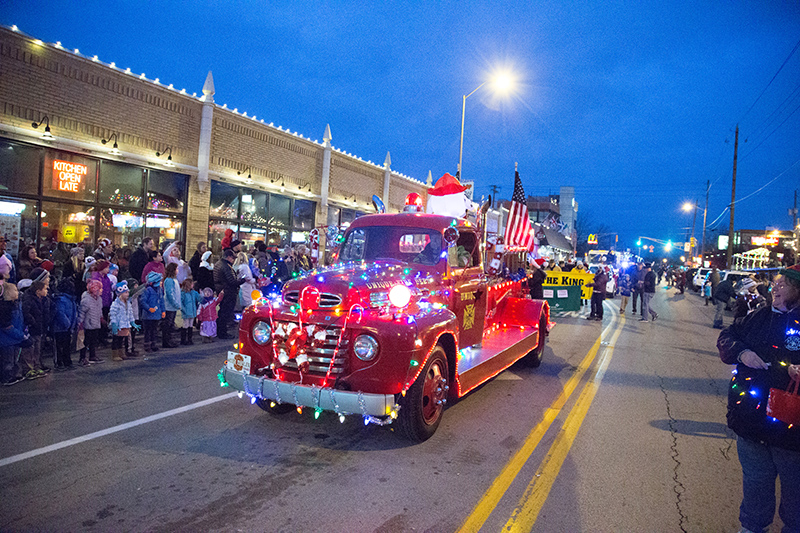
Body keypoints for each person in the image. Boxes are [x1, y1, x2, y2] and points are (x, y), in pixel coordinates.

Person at [717, 265, 800, 533]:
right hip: (751, 423)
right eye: (775, 284)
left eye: (783, 285)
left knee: (796, 496)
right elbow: (727, 336)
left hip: (791, 432)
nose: (775, 289)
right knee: (755, 488)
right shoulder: (758, 316)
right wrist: (742, 353)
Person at [20, 279, 51, 379]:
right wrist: (33, 322)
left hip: (40, 328)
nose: (47, 291)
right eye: (45, 289)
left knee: (37, 348)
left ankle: (36, 366)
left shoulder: (43, 300)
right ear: (38, 291)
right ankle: (29, 369)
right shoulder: (29, 299)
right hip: (32, 328)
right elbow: (26, 312)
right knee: (30, 350)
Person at [214, 249, 244, 339]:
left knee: (222, 311)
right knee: (225, 312)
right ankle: (222, 333)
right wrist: (242, 280)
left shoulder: (219, 263)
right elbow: (231, 281)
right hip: (228, 292)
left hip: (222, 290)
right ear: (229, 257)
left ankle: (220, 331)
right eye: (233, 258)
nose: (234, 260)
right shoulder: (226, 266)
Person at [51, 277, 78, 370]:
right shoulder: (61, 299)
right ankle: (59, 362)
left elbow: (74, 312)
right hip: (60, 327)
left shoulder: (71, 299)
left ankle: (67, 361)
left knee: (67, 345)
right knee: (59, 346)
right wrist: (67, 323)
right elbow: (60, 312)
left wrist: (73, 324)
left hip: (68, 327)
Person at [77, 279, 105, 365]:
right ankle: (82, 357)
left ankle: (92, 356)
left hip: (96, 323)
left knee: (94, 340)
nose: (101, 290)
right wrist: (80, 322)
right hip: (88, 324)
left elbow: (99, 310)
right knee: (86, 341)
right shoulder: (86, 300)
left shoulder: (99, 299)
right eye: (99, 288)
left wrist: (101, 317)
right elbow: (81, 312)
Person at [109, 281, 137, 361]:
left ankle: (121, 352)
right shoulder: (115, 304)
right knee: (116, 339)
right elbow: (113, 314)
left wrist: (132, 322)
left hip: (125, 324)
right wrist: (114, 323)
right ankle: (115, 354)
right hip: (118, 324)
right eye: (126, 293)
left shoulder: (128, 303)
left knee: (122, 339)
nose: (127, 294)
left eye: (128, 292)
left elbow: (130, 313)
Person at [140, 272, 164, 353]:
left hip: (156, 314)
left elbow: (161, 301)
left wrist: (163, 311)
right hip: (148, 315)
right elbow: (143, 302)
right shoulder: (147, 290)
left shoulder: (160, 290)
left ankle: (153, 344)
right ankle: (147, 345)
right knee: (148, 331)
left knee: (154, 330)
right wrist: (148, 308)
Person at [162, 262, 181, 348]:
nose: (178, 271)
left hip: (173, 306)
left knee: (171, 324)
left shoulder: (175, 280)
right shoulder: (169, 280)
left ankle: (170, 340)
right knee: (168, 324)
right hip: (169, 306)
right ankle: (166, 341)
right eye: (176, 269)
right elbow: (170, 293)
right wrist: (175, 303)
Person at [179, 278, 201, 345]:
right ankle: (184, 339)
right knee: (186, 324)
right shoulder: (183, 293)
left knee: (190, 325)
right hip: (187, 311)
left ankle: (189, 339)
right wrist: (183, 309)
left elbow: (199, 298)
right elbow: (181, 303)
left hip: (191, 311)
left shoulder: (193, 293)